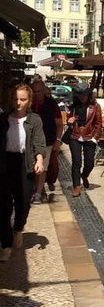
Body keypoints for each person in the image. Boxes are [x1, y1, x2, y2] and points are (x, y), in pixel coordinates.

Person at [0, 83, 46, 260]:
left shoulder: (34, 120)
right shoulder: (3, 119)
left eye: (22, 99)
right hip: (5, 163)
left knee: (23, 203)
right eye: (16, 99)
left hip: (24, 163)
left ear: (29, 101)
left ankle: (18, 228)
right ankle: (5, 245)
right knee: (3, 206)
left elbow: (39, 142)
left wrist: (39, 159)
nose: (18, 102)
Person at [31, 78, 63, 203]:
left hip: (47, 141)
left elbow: (59, 124)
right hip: (30, 141)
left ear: (44, 91)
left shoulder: (51, 104)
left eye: (39, 91)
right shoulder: (29, 104)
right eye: (34, 92)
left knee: (42, 167)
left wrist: (58, 140)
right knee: (32, 167)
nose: (36, 94)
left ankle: (38, 193)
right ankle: (39, 190)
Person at [67, 89, 103, 198]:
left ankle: (84, 175)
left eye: (84, 95)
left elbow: (98, 123)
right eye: (80, 95)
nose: (82, 97)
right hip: (75, 136)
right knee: (76, 162)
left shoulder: (95, 106)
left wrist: (95, 138)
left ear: (88, 95)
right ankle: (76, 186)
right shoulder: (74, 106)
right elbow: (69, 120)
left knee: (89, 163)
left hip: (89, 137)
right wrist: (70, 120)